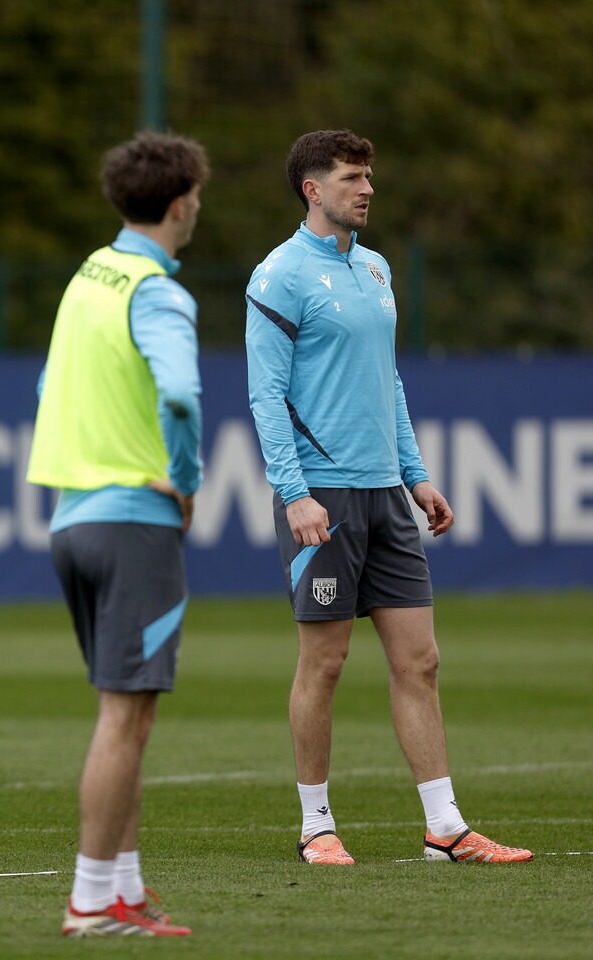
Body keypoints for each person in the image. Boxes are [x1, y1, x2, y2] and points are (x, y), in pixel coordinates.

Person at [245, 129, 532, 866]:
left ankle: (445, 827)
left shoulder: (374, 269)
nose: (366, 188)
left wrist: (416, 474)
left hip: (384, 494)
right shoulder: (278, 276)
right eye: (350, 177)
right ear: (313, 189)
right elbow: (265, 396)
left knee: (422, 661)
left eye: (368, 175)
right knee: (326, 663)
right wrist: (294, 493)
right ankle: (315, 825)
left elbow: (389, 380)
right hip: (325, 497)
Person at [27, 130, 207, 937]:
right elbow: (179, 397)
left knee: (124, 714)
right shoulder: (157, 291)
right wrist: (188, 479)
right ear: (179, 203)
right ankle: (92, 901)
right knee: (123, 718)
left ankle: (123, 889)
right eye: (197, 197)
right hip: (134, 521)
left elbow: (45, 383)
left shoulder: (85, 279)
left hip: (72, 516)